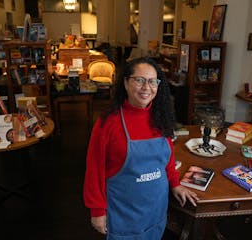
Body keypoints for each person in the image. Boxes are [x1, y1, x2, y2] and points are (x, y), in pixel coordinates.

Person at [83, 57, 199, 239]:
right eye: (140, 80)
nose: (147, 87)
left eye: (153, 81)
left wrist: (175, 184)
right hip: (124, 212)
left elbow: (167, 158)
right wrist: (97, 210)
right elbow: (94, 170)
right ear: (126, 83)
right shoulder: (107, 123)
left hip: (156, 208)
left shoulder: (161, 117)